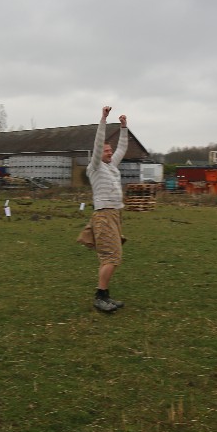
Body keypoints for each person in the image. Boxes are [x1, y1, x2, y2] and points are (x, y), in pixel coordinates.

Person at [82, 105, 129, 313]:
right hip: (103, 216)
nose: (110, 153)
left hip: (114, 215)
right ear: (98, 153)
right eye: (106, 151)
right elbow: (98, 142)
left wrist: (124, 127)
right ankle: (100, 297)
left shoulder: (111, 166)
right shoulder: (95, 167)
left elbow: (122, 148)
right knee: (112, 257)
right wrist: (103, 119)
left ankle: (104, 295)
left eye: (110, 151)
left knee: (112, 256)